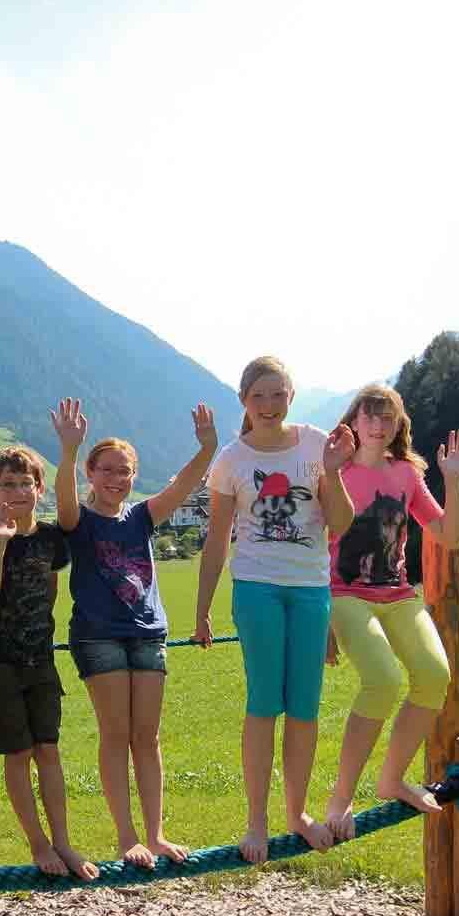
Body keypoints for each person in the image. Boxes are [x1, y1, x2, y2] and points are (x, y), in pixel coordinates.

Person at [193, 356, 355, 864]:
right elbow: (217, 540)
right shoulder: (231, 460)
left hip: (310, 590)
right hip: (256, 588)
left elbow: (340, 523)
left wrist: (333, 471)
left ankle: (297, 814)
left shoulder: (316, 444)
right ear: (244, 400)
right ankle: (257, 821)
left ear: (291, 396)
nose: (268, 405)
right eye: (258, 396)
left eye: (277, 394)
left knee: (305, 707)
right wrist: (202, 610)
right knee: (264, 703)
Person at [52, 396, 218, 869]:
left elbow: (182, 487)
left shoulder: (142, 516)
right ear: (90, 473)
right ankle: (128, 838)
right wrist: (68, 449)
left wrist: (207, 449)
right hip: (99, 637)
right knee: (115, 734)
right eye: (106, 470)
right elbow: (64, 500)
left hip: (148, 633)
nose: (116, 478)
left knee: (147, 738)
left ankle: (156, 834)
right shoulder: (78, 520)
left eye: (124, 471)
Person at [321, 384, 459, 838]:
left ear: (398, 425)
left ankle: (392, 780)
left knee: (434, 675)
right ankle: (341, 798)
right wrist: (322, 619)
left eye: (386, 417)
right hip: (343, 592)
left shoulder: (406, 473)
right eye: (369, 416)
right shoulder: (333, 470)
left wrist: (453, 478)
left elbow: (448, 535)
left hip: (398, 594)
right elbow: (312, 542)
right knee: (383, 681)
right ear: (353, 421)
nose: (377, 425)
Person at [0, 445, 98, 881]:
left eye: (26, 483)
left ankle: (63, 841)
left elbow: (51, 590)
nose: (18, 491)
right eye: (8, 484)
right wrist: (1, 544)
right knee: (19, 753)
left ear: (40, 489)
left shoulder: (51, 539)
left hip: (40, 660)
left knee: (49, 750)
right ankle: (38, 843)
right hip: (0, 663)